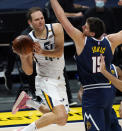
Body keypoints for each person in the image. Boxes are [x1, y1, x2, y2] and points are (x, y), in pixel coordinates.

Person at [50, 0, 122, 130]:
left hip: (92, 94)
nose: (82, 27)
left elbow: (61, 18)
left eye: (86, 27)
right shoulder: (111, 41)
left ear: (92, 33)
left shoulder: (82, 40)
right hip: (108, 93)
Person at [12, 7, 69, 131]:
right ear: (30, 23)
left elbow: (59, 52)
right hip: (46, 80)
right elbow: (28, 71)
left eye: (42, 18)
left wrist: (42, 51)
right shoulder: (28, 41)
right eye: (37, 20)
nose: (40, 21)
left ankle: (29, 102)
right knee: (59, 114)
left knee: (62, 120)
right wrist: (23, 55)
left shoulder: (56, 28)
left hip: (60, 78)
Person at [78, 62, 122, 131]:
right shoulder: (90, 70)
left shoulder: (115, 69)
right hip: (93, 109)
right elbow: (80, 93)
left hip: (109, 110)